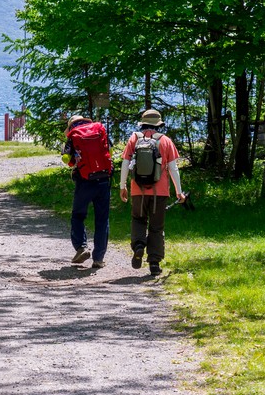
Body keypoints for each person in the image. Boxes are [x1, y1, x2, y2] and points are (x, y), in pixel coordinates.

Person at [119, 108, 185, 276]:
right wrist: (179, 191)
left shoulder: (134, 139)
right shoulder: (166, 141)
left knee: (138, 219)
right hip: (160, 192)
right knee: (156, 227)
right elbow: (173, 168)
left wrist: (122, 186)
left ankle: (139, 245)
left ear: (143, 123)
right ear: (159, 124)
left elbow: (126, 163)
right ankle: (154, 263)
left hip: (137, 190)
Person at [62, 114, 113, 269]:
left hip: (84, 181)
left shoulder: (73, 136)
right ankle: (99, 258)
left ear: (71, 125)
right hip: (103, 179)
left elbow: (67, 159)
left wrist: (74, 162)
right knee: (102, 219)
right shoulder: (99, 130)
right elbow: (109, 148)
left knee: (78, 215)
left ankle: (81, 247)